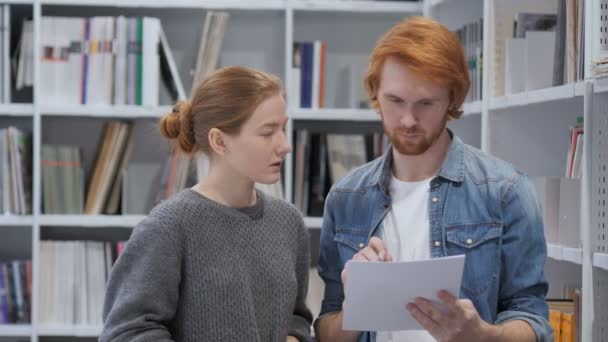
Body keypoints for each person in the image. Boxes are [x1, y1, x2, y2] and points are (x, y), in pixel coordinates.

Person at [314, 16, 551, 342]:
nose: (408, 120)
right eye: (395, 101)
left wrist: (481, 335)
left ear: (452, 99)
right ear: (375, 93)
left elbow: (534, 322)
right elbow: (327, 330)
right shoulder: (346, 197)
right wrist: (356, 305)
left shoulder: (506, 191)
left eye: (426, 103)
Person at [101, 66, 313, 342]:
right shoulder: (169, 226)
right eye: (267, 132)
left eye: (282, 128)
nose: (285, 145)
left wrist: (294, 337)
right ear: (219, 141)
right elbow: (126, 331)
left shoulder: (289, 222)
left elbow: (296, 316)